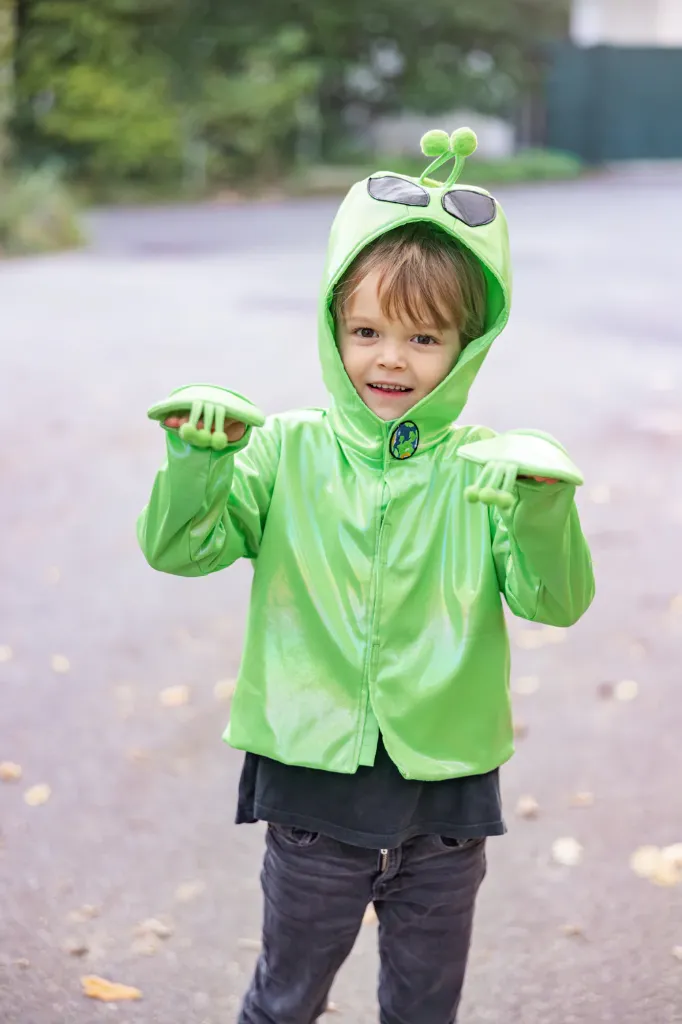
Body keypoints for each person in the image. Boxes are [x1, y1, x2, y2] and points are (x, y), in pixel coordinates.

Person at [138, 127, 595, 1024]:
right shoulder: (282, 450)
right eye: (366, 330)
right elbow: (179, 548)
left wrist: (544, 506)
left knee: (425, 1011)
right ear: (331, 325)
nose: (390, 358)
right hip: (313, 803)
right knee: (285, 1000)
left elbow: (558, 601)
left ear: (469, 345)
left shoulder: (487, 469)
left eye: (425, 336)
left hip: (448, 810)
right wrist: (199, 459)